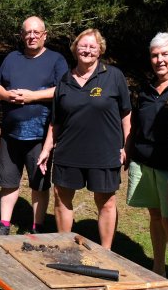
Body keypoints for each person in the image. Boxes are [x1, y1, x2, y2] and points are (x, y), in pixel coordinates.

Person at [38, 28, 131, 250]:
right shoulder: (65, 80)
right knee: (61, 198)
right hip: (69, 151)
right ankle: (66, 246)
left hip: (104, 152)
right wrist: (46, 150)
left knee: (105, 202)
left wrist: (127, 146)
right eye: (83, 45)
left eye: (92, 46)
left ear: (100, 50)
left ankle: (107, 251)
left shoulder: (113, 76)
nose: (87, 50)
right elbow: (56, 121)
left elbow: (126, 114)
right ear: (74, 49)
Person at [126, 33, 168, 284]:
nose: (159, 59)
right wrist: (127, 151)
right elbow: (135, 125)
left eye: (165, 54)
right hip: (144, 163)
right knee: (155, 217)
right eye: (155, 55)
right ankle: (157, 268)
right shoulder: (145, 89)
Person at [0, 16, 67, 236]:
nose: (32, 36)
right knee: (8, 180)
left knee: (39, 183)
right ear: (21, 35)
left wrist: (33, 97)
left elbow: (62, 90)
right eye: (28, 32)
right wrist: (5, 95)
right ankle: (4, 223)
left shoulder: (56, 59)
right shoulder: (12, 58)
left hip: (40, 133)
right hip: (10, 132)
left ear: (44, 35)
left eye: (36, 32)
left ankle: (37, 225)